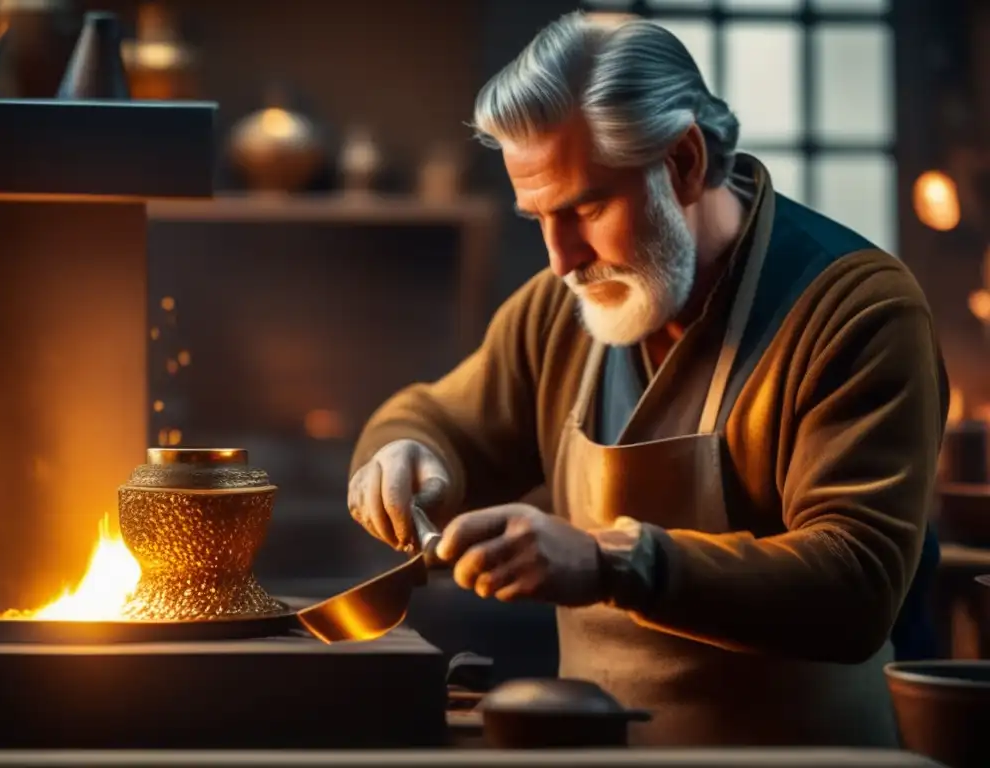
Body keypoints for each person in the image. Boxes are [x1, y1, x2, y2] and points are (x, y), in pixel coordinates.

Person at [346, 12, 949, 747]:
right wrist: (407, 452)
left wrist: (613, 561)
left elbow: (856, 586)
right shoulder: (560, 310)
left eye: (588, 207)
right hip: (605, 754)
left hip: (805, 757)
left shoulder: (855, 309)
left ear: (687, 162)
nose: (562, 259)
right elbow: (439, 418)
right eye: (537, 216)